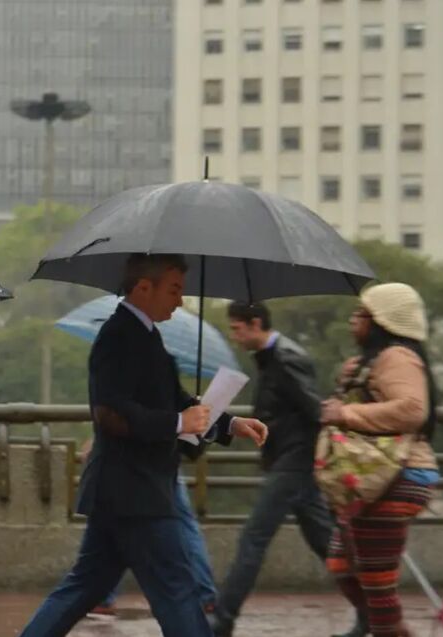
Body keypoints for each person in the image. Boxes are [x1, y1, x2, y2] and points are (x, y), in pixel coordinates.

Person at [19, 254, 269, 637]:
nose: (180, 301)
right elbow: (109, 413)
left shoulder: (146, 335)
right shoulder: (118, 337)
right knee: (176, 589)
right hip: (137, 491)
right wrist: (177, 423)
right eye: (174, 290)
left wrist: (228, 424)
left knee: (85, 586)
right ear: (143, 288)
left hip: (123, 490)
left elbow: (177, 400)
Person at [320, 283, 440, 637]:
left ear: (381, 321)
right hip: (376, 479)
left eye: (361, 315)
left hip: (397, 478)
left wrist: (347, 411)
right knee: (345, 566)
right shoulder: (374, 360)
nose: (352, 321)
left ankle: (391, 629)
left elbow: (412, 409)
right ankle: (395, 629)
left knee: (377, 585)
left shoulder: (397, 357)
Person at [209, 302, 334, 636]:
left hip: (293, 462)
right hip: (289, 463)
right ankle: (374, 608)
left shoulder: (286, 358)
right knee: (327, 543)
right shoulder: (271, 359)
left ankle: (222, 619)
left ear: (255, 323)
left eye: (237, 328)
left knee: (254, 537)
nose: (234, 336)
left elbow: (313, 411)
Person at [79, 439, 217, 621]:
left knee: (117, 520)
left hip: (136, 454)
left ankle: (100, 596)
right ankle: (202, 594)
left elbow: (130, 416)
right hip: (162, 449)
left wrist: (98, 441)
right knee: (183, 524)